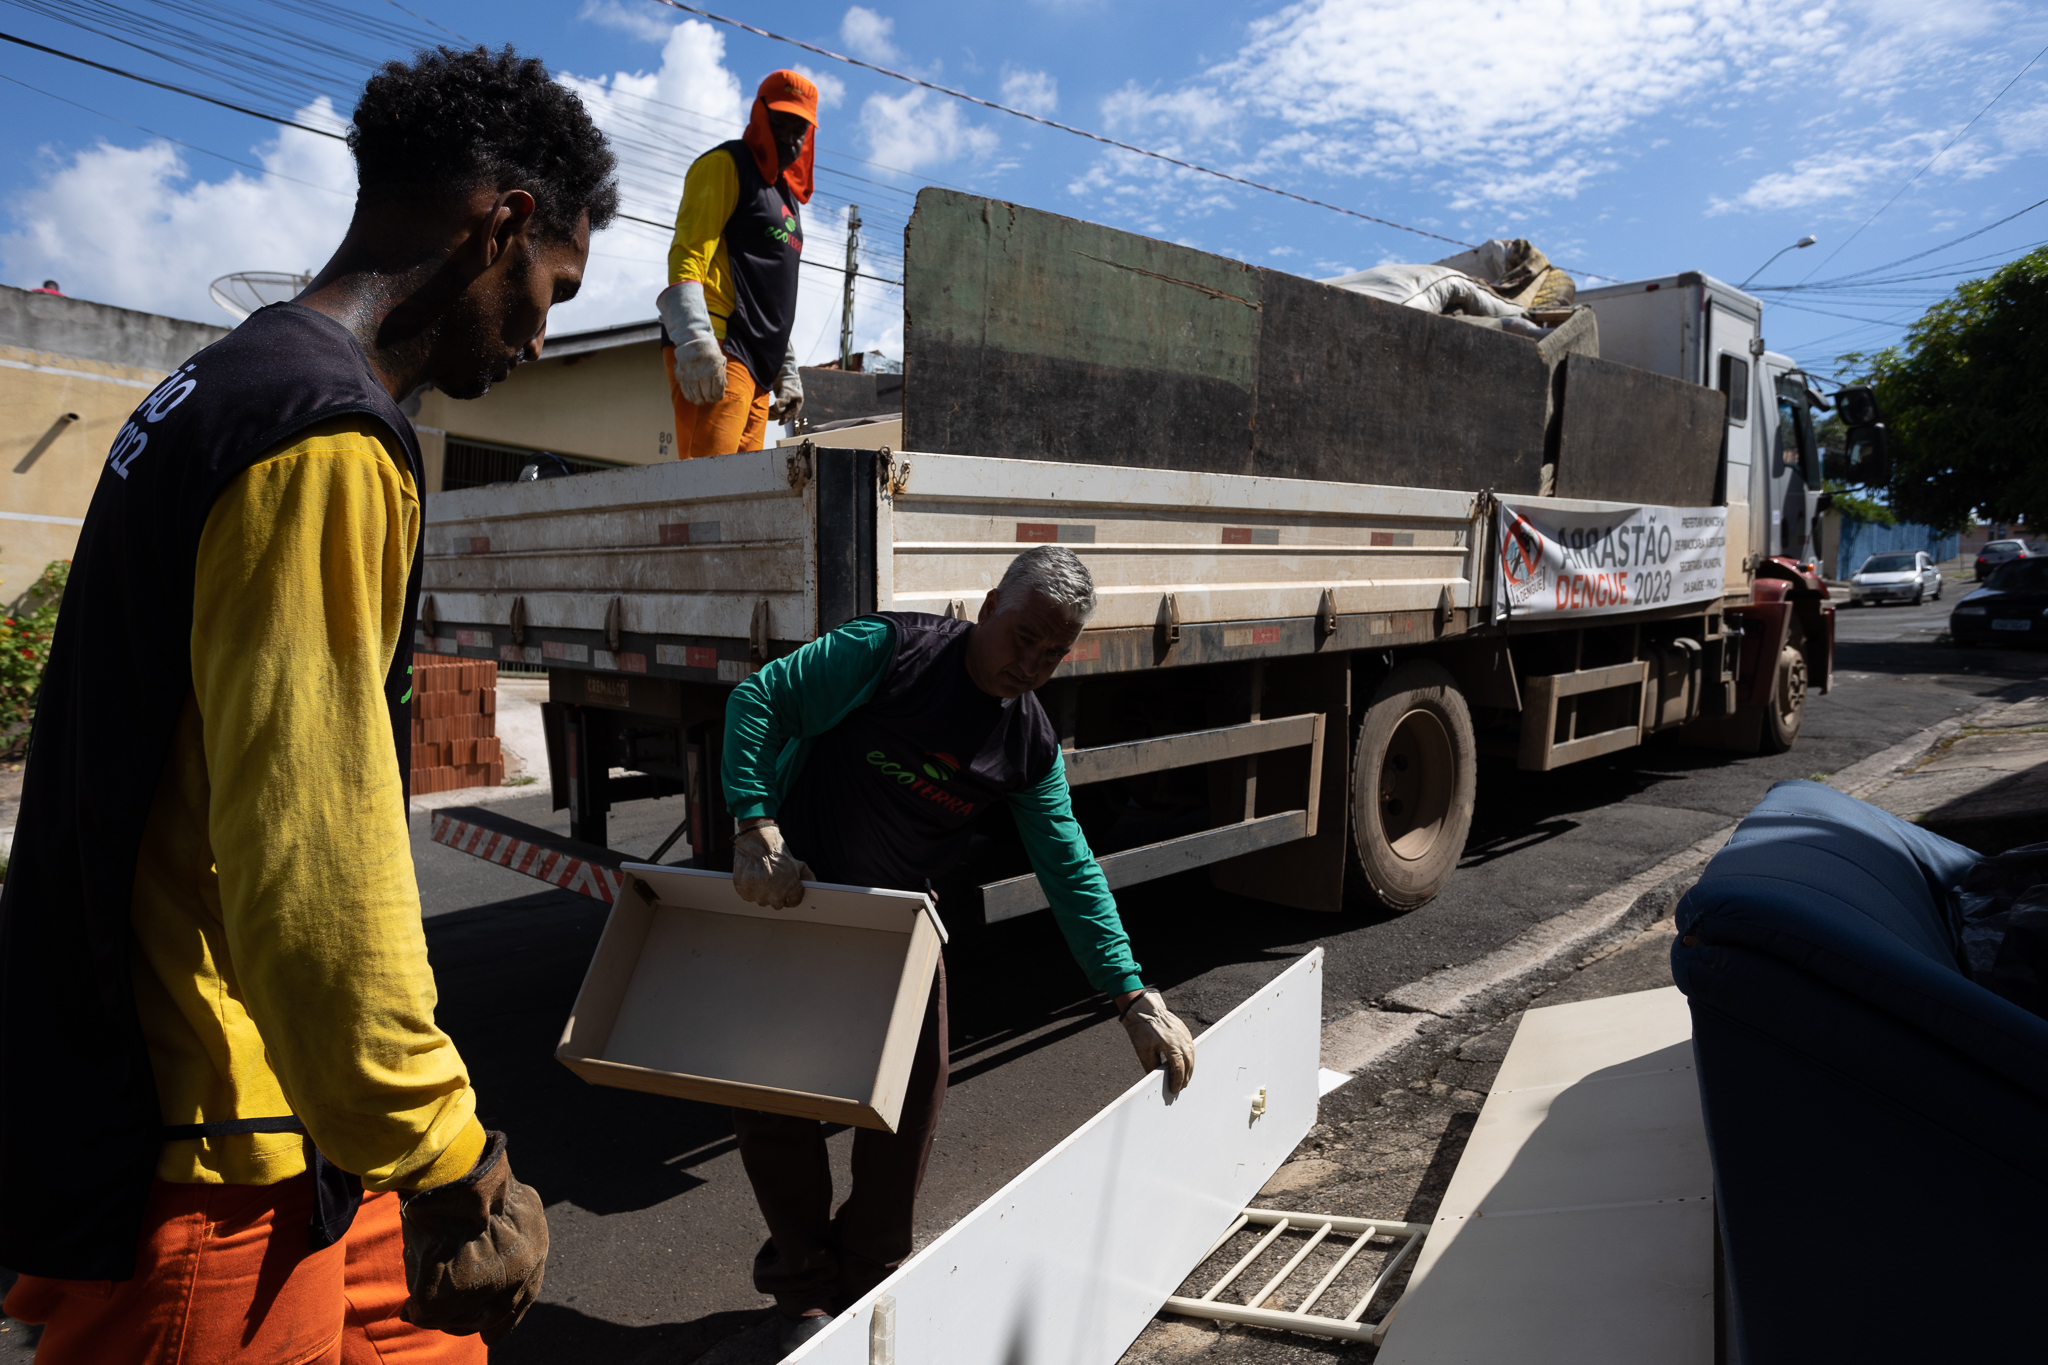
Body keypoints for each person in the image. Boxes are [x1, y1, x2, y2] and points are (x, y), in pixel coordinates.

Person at [0, 45, 618, 1362]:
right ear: (498, 222)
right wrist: (448, 1154)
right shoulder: (323, 440)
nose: (539, 336)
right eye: (547, 289)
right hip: (209, 1140)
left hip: (272, 1107)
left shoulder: (220, 392)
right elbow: (314, 870)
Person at [720, 544, 1198, 1350]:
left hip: (905, 920)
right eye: (1023, 638)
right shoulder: (890, 651)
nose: (1032, 663)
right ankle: (801, 1283)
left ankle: (870, 1279)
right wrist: (753, 820)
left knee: (909, 1100)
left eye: (1054, 652)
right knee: (777, 1097)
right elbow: (760, 699)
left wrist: (1133, 995)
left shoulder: (1027, 743)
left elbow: (1070, 867)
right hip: (801, 895)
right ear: (987, 606)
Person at [657, 69, 814, 460]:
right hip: (720, 349)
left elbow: (768, 292)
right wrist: (694, 340)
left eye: (801, 130)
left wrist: (786, 370)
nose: (791, 139)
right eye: (781, 123)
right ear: (760, 115)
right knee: (707, 487)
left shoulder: (786, 197)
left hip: (759, 366)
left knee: (740, 495)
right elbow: (688, 252)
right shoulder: (726, 165)